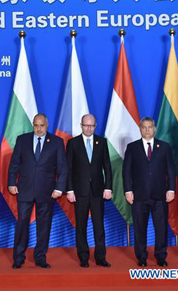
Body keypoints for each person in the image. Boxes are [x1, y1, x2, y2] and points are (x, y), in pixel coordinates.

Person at [8, 113, 67, 269]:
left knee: (44, 225)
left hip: (47, 191)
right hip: (24, 190)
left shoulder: (56, 142)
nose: (39, 129)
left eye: (42, 125)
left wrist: (59, 188)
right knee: (22, 224)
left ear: (47, 125)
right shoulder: (22, 140)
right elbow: (14, 163)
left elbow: (62, 168)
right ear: (32, 125)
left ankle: (40, 257)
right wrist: (11, 183)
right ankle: (18, 257)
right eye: (36, 125)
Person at [123, 117, 175, 267]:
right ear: (140, 129)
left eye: (150, 127)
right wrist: (128, 190)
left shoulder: (164, 147)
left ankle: (161, 256)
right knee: (140, 228)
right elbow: (126, 172)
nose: (147, 130)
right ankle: (141, 256)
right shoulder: (132, 147)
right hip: (139, 196)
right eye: (144, 127)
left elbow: (171, 171)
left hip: (160, 195)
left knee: (161, 228)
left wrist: (171, 189)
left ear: (154, 128)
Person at [66, 114, 112, 268]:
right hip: (80, 191)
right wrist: (70, 190)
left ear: (96, 125)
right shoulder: (73, 143)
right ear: (81, 125)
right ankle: (83, 257)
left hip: (98, 191)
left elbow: (107, 167)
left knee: (99, 225)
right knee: (81, 225)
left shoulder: (102, 142)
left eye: (92, 126)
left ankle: (100, 257)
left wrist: (108, 187)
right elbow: (69, 169)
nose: (89, 128)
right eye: (86, 125)